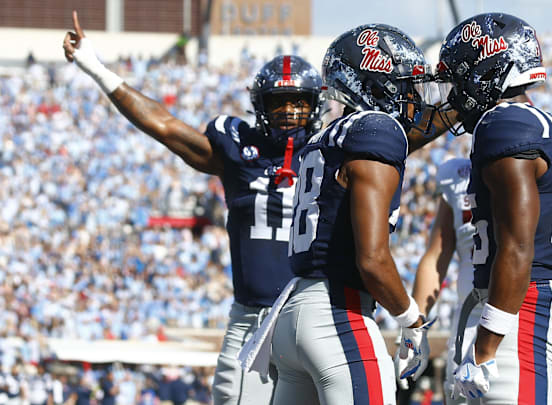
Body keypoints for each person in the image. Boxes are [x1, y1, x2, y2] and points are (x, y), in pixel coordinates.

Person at [62, 11, 324, 405]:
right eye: (279, 102)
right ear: (259, 106)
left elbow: (400, 142)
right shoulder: (238, 152)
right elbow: (164, 126)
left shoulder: (334, 151)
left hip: (314, 315)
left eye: (298, 102)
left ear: (316, 104)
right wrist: (94, 66)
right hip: (253, 317)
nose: (288, 112)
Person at [268, 23, 450, 404]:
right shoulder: (377, 128)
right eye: (402, 83)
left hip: (293, 314)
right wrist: (412, 319)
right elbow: (372, 259)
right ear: (374, 82)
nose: (411, 94)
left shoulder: (325, 138)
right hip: (338, 313)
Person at [434, 13, 552, 404]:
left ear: (487, 73)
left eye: (460, 77)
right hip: (528, 300)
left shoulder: (503, 125)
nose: (455, 92)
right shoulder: (540, 124)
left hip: (525, 304)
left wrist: (485, 348)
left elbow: (518, 246)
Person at [402, 154, 552, 403]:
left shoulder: (543, 165)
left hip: (520, 317)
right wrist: (415, 326)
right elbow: (436, 257)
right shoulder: (458, 173)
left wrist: (521, 226)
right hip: (468, 323)